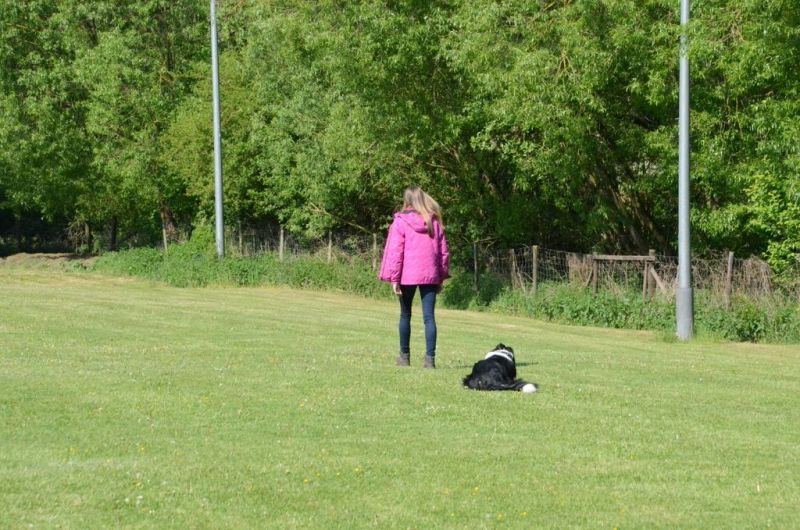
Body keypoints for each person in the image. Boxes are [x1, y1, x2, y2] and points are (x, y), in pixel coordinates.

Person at [378, 186, 449, 368]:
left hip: (406, 276)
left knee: (405, 315)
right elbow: (443, 252)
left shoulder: (400, 222)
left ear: (407, 200)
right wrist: (441, 277)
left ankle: (404, 357)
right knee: (429, 318)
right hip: (430, 275)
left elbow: (396, 252)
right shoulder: (434, 222)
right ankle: (430, 360)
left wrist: (394, 279)